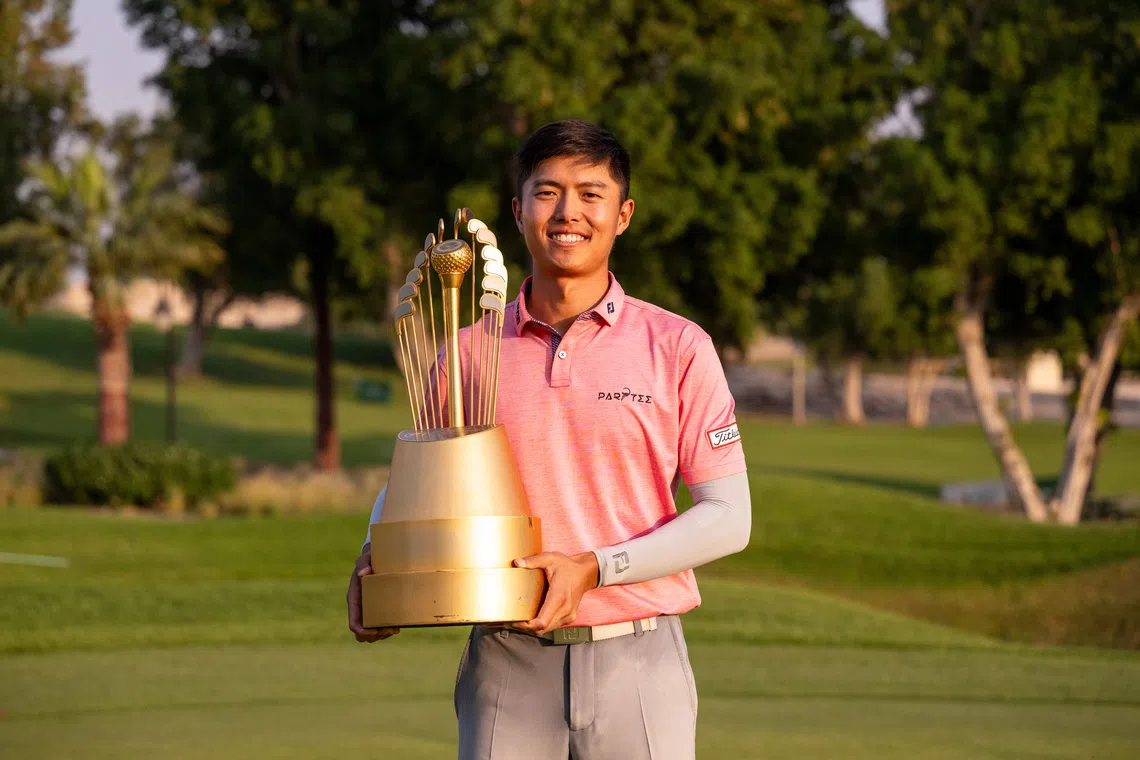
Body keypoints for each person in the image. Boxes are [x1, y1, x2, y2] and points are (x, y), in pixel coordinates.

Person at [347, 119, 751, 759]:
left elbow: (729, 517)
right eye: (547, 192)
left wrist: (595, 568)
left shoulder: (677, 346)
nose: (568, 213)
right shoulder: (467, 352)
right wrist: (376, 556)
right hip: (506, 661)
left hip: (639, 659)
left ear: (623, 215)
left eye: (591, 194)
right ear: (518, 211)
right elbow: (420, 486)